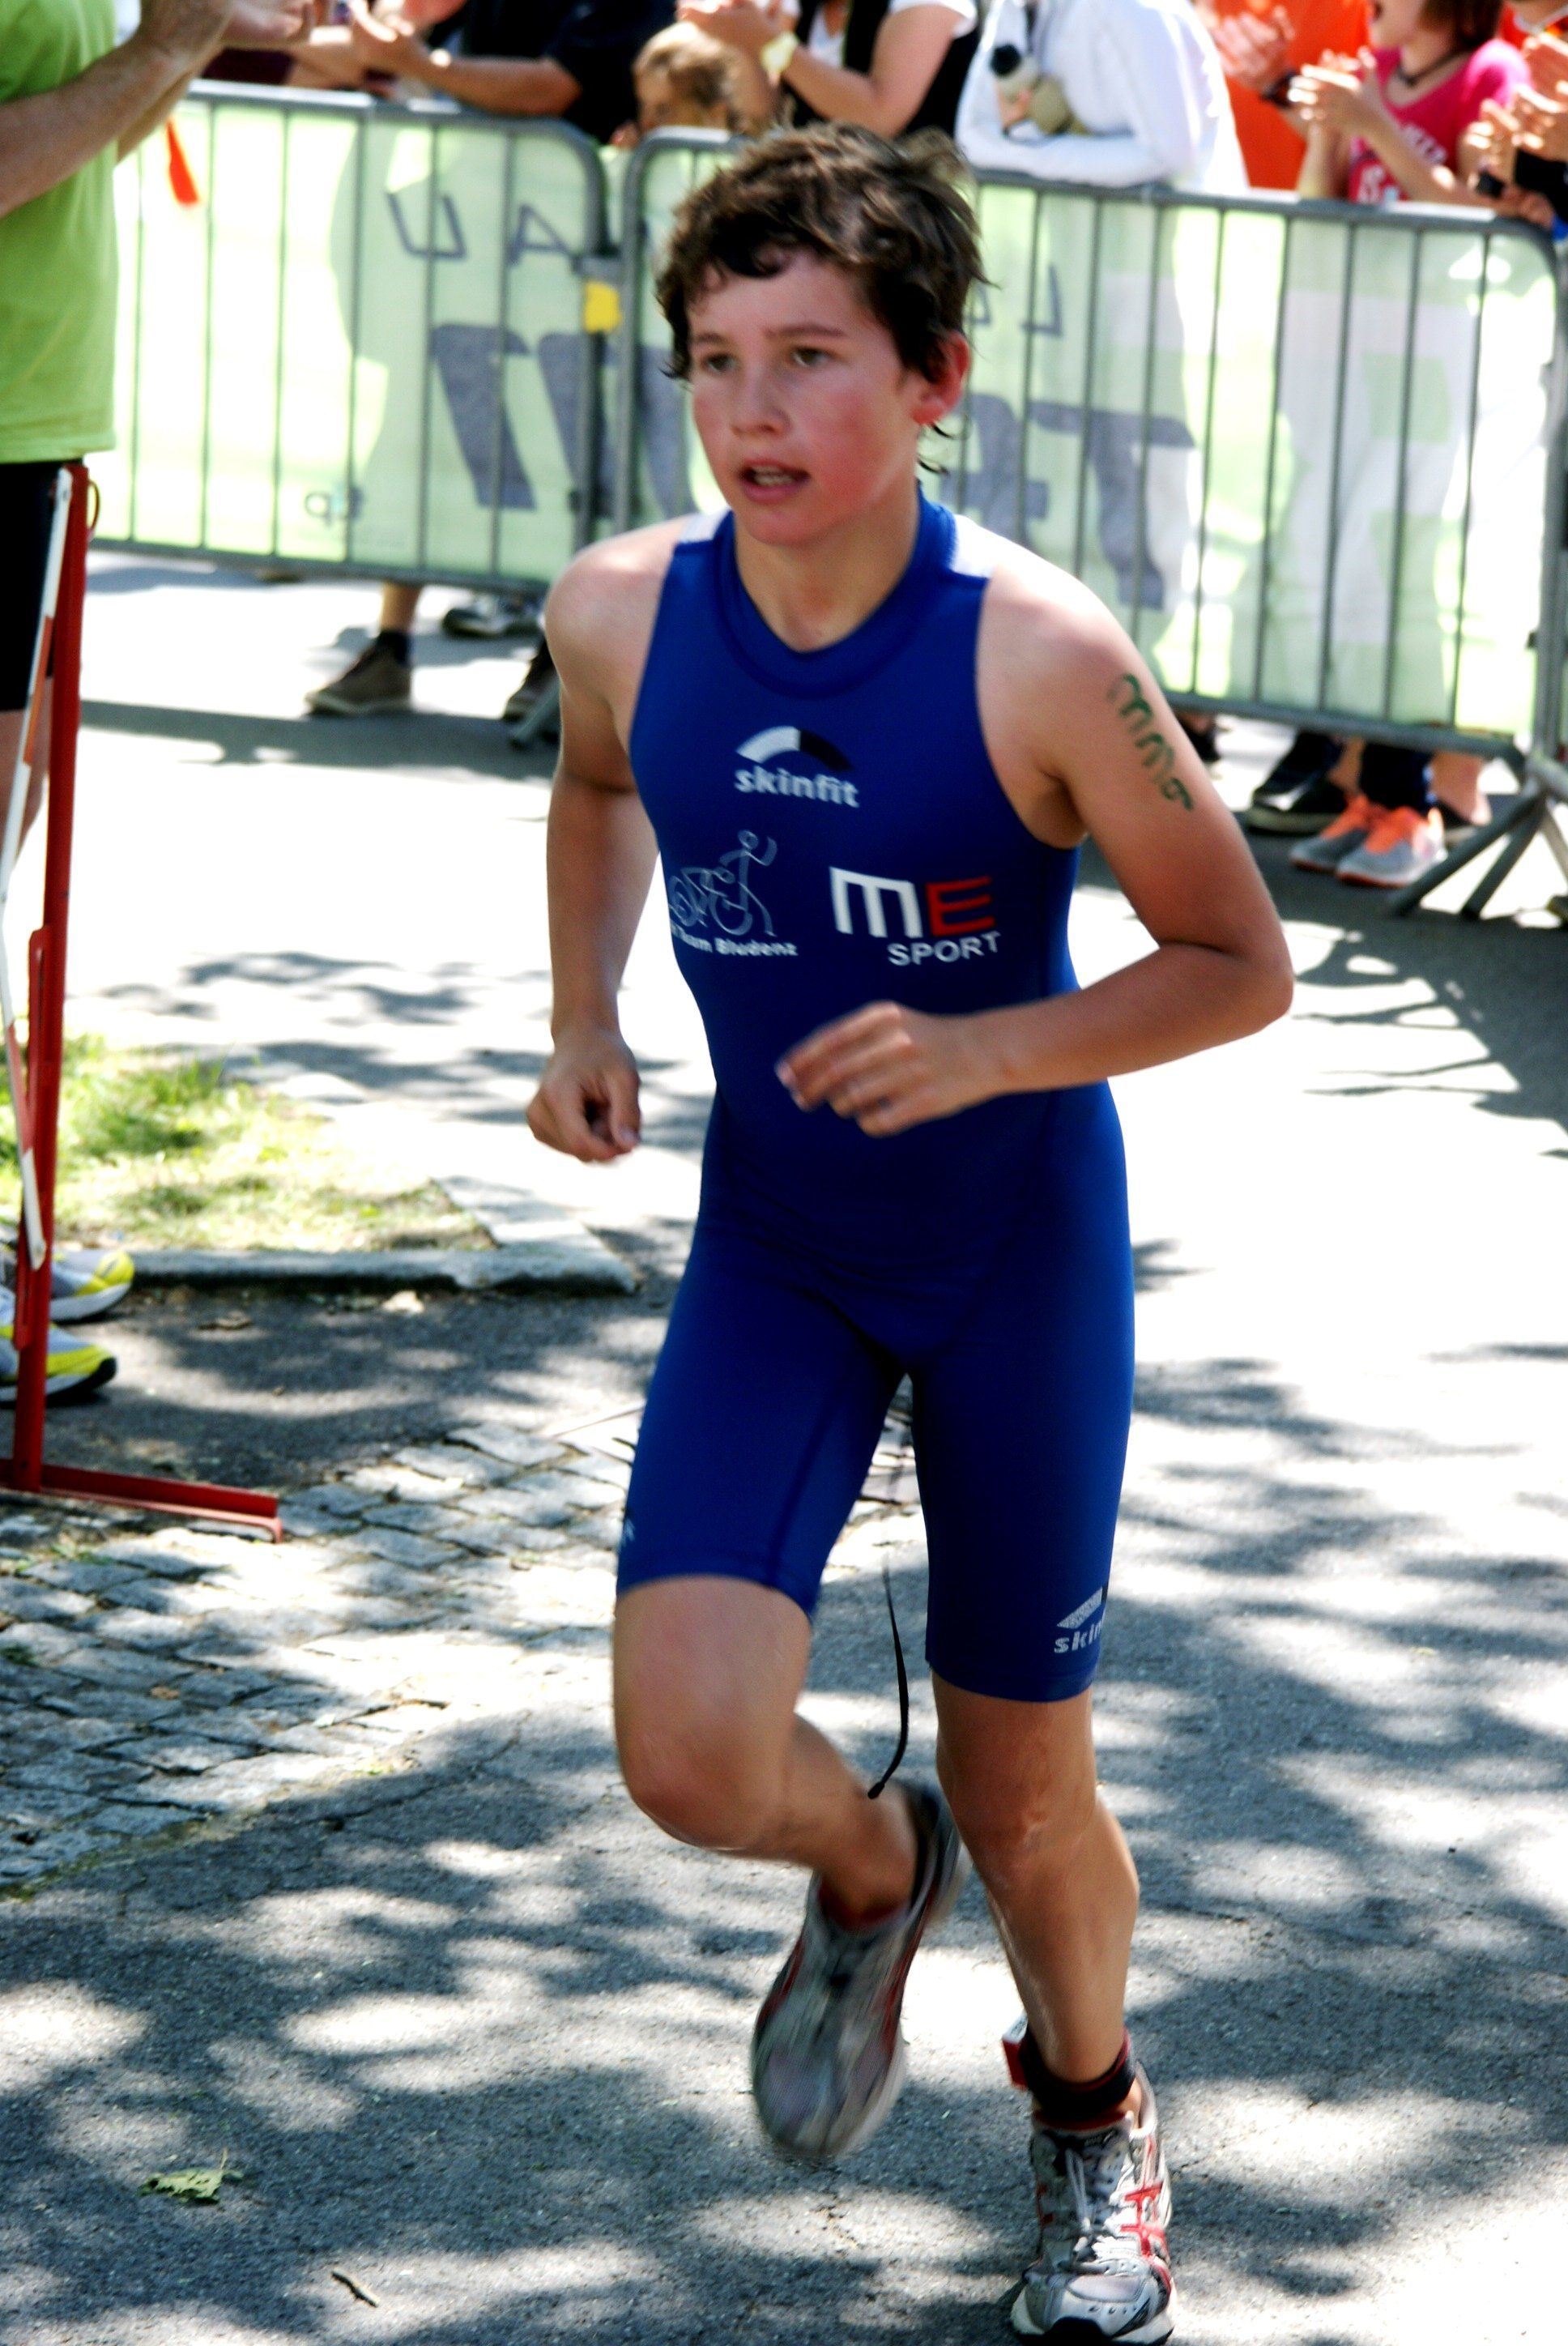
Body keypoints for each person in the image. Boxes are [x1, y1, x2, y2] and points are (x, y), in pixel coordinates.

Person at [526, 124, 1293, 2338]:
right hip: (777, 1240)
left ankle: (1094, 2120)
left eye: (812, 358)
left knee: (1026, 1785)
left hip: (1007, 1253)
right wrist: (583, 1011)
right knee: (687, 1756)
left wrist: (993, 1048)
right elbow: (597, 780)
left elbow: (1238, 962)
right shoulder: (620, 607)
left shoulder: (1038, 652)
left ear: (935, 378)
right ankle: (871, 1870)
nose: (751, 409)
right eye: (714, 360)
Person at [2, 0, 309, 1394]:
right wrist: (164, 44)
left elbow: (84, 144)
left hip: (34, 430)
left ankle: (10, 1244)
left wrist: (183, 43)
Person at [303, 0, 674, 719]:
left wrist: (420, 64)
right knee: (421, 423)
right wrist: (248, 32)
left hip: (582, 257)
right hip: (472, 237)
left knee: (572, 451)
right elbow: (387, 45)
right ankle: (390, 647)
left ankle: (557, 659)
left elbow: (550, 88)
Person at [1270, 0, 1527, 886]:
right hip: (1365, 360)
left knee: (1411, 578)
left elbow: (1477, 210)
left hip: (1447, 366)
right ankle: (1374, 798)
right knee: (1362, 576)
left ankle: (1413, 805)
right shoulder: (1372, 74)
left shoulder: (1493, 73)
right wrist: (1328, 132)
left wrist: (1375, 125)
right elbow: (1319, 205)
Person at [955, 0, 1246, 192]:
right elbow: (973, 137)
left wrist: (1027, 146)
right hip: (1082, 248)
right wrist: (1033, 146)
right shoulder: (1014, 7)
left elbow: (1169, 154)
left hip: (1178, 254)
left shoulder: (1134, 8)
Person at [679, 0, 979, 139]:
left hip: (908, 217)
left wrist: (770, 42)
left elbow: (879, 115)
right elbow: (763, 118)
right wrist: (743, 34)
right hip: (822, 209)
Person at [1199, 1, 1371, 189]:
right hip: (1211, 200)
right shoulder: (1198, 11)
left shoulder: (1369, 10)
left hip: (1312, 204)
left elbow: (1368, 148)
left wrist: (1279, 84)